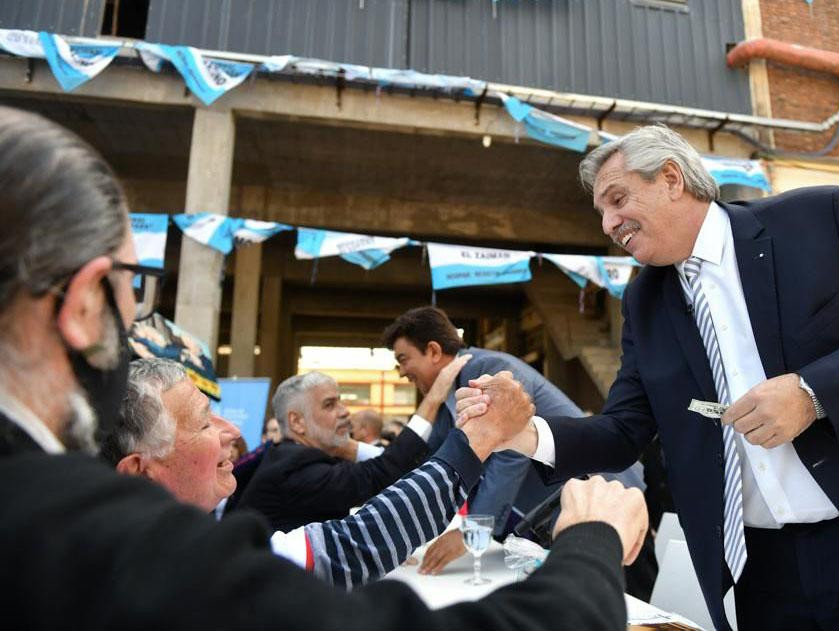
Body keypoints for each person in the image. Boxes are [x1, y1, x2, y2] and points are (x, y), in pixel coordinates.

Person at [0, 105, 647, 631]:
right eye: (130, 284)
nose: (234, 434)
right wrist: (589, 543)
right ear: (84, 302)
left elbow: (346, 544)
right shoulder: (84, 534)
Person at [457, 125, 839, 630]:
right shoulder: (645, 301)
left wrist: (813, 393)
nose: (607, 224)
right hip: (761, 572)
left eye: (618, 200)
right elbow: (625, 428)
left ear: (671, 178)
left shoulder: (818, 219)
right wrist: (522, 431)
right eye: (600, 211)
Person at [107, 357, 545, 589]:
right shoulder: (174, 569)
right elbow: (354, 543)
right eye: (204, 422)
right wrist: (473, 438)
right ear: (141, 472)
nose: (232, 432)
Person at [382, 306, 647, 578]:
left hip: (607, 492)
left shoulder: (488, 370)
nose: (401, 372)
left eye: (404, 359)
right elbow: (436, 461)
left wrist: (472, 531)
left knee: (626, 599)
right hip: (557, 510)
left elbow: (511, 453)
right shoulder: (448, 399)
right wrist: (402, 526)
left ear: (434, 351)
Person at [228, 362, 466, 532]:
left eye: (340, 401)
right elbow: (381, 474)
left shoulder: (287, 455)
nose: (344, 411)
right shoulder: (296, 468)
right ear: (297, 422)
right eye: (330, 405)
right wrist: (434, 398)